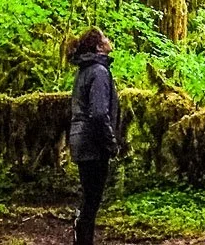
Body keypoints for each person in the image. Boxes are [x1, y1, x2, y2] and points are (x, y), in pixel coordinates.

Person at [67, 27, 120, 245]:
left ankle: (81, 237)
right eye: (104, 37)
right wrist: (111, 143)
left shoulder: (85, 70)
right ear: (99, 47)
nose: (108, 39)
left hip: (82, 140)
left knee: (89, 197)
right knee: (92, 199)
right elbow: (98, 113)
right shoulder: (98, 71)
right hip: (93, 143)